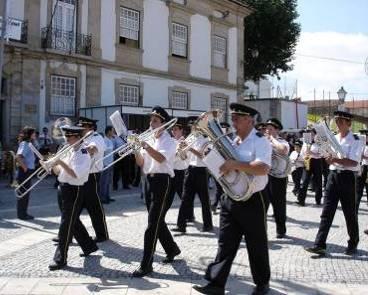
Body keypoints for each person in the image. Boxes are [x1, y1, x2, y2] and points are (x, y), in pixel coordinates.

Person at [193, 103, 272, 295]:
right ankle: (216, 284)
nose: (233, 121)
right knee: (225, 243)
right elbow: (222, 166)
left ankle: (262, 284)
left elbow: (263, 168)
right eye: (233, 117)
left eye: (237, 118)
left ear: (249, 120)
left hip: (253, 198)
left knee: (256, 243)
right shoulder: (232, 141)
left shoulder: (260, 141)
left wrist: (234, 164)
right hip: (230, 197)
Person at [132, 106, 181, 277]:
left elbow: (161, 158)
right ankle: (172, 249)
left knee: (152, 225)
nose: (151, 124)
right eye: (150, 120)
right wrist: (136, 149)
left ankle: (146, 264)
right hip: (148, 181)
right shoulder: (150, 140)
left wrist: (144, 145)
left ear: (163, 124)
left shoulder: (170, 141)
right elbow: (140, 162)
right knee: (157, 221)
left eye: (155, 121)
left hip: (163, 182)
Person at [305, 111, 361, 256]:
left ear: (348, 123)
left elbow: (354, 162)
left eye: (341, 121)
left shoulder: (356, 139)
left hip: (348, 177)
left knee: (350, 213)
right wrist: (326, 155)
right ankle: (319, 244)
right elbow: (325, 154)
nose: (338, 124)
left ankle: (353, 243)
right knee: (327, 212)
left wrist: (335, 160)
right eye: (337, 121)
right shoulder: (333, 138)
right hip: (333, 176)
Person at [48, 126, 98, 270]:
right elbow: (59, 171)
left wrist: (59, 161)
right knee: (72, 220)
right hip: (63, 187)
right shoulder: (69, 150)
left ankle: (60, 258)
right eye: (66, 137)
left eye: (69, 137)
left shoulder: (83, 153)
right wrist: (50, 166)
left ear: (77, 137)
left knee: (66, 224)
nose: (67, 140)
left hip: (74, 190)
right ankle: (89, 246)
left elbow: (75, 174)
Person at [173, 116, 213, 233]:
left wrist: (189, 149)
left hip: (201, 171)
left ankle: (208, 225)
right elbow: (184, 157)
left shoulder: (207, 140)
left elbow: (204, 156)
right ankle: (181, 225)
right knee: (185, 199)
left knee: (204, 200)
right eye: (191, 127)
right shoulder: (190, 139)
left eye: (194, 126)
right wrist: (181, 150)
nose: (192, 129)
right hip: (189, 170)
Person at [77, 117, 109, 243]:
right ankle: (66, 234)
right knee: (73, 206)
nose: (80, 129)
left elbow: (92, 150)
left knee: (94, 207)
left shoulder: (97, 138)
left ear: (89, 127)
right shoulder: (82, 139)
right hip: (80, 175)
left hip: (92, 176)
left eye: (82, 127)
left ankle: (101, 234)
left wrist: (79, 149)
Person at [264, 118, 290, 239]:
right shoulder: (263, 141)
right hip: (264, 176)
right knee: (262, 205)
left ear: (277, 130)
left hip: (278, 177)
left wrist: (272, 139)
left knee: (279, 205)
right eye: (266, 128)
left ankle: (281, 230)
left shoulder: (282, 142)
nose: (267, 130)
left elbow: (283, 150)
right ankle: (261, 230)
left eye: (270, 129)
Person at [166, 120, 189, 211]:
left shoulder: (185, 142)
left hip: (180, 173)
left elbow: (184, 158)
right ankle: (161, 217)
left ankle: (189, 214)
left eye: (175, 129)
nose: (173, 131)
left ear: (181, 130)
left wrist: (175, 155)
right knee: (168, 197)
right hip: (171, 172)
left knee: (183, 196)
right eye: (172, 130)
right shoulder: (171, 141)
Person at [297, 129, 323, 206]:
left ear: (315, 135)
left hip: (316, 162)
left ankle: (318, 199)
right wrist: (304, 158)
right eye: (309, 134)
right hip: (307, 161)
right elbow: (302, 152)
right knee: (305, 181)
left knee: (318, 181)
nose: (311, 136)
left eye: (312, 134)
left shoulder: (319, 143)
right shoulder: (305, 143)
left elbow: (322, 154)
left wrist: (312, 153)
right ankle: (301, 199)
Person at [15, 126, 36, 220]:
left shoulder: (29, 143)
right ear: (29, 134)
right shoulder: (25, 143)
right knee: (23, 194)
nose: (35, 135)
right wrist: (25, 168)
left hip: (26, 171)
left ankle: (23, 213)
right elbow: (18, 157)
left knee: (25, 194)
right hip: (25, 172)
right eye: (33, 133)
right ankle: (22, 215)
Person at [99, 126, 115, 204]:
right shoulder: (104, 140)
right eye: (112, 131)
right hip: (105, 164)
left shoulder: (110, 140)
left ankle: (107, 196)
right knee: (104, 182)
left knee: (108, 181)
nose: (113, 133)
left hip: (110, 163)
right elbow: (104, 150)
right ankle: (102, 198)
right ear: (108, 132)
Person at [356, 130, 368, 210]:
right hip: (362, 167)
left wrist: (363, 157)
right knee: (358, 189)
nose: (366, 138)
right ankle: (355, 207)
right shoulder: (362, 145)